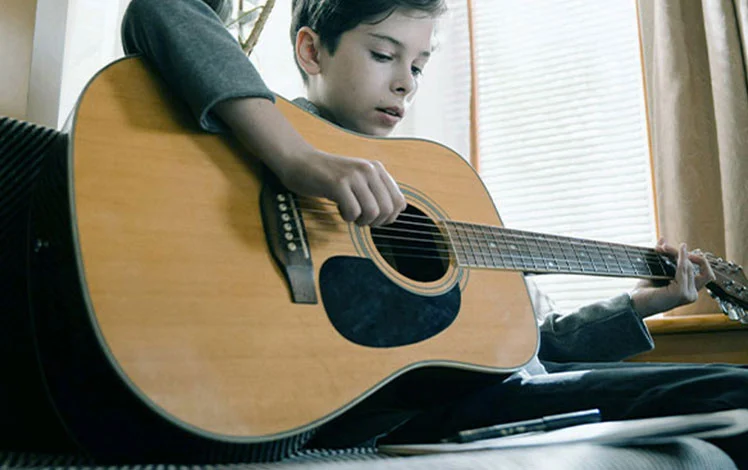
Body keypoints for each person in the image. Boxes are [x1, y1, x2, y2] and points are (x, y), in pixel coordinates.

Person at [121, 0, 748, 465]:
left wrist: (650, 302)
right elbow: (164, 8)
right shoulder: (252, 135)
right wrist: (298, 159)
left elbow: (530, 346)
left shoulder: (435, 184)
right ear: (311, 51)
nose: (406, 82)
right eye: (383, 53)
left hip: (478, 393)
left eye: (418, 64)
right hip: (373, 407)